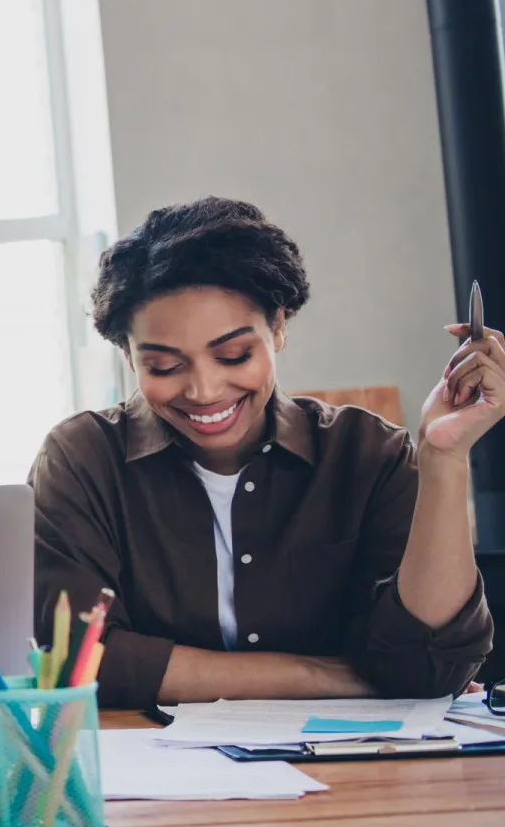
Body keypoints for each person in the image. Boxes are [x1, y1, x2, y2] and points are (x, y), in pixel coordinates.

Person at [33, 197, 501, 709]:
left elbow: (429, 663)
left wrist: (444, 459)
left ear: (278, 327)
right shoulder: (81, 460)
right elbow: (81, 660)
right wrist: (334, 676)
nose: (205, 390)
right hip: (155, 777)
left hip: (358, 769)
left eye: (234, 355)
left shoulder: (367, 454)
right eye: (165, 366)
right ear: (128, 355)